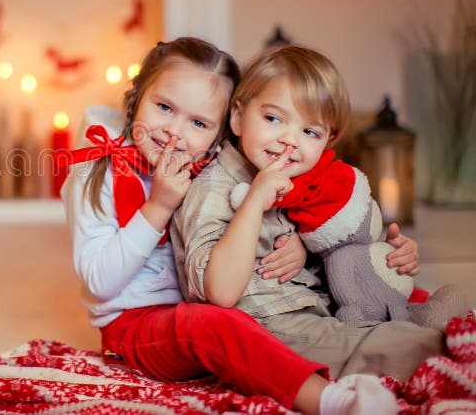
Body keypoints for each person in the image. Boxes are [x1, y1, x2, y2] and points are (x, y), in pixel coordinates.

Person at [63, 37, 399, 415]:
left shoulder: (213, 169)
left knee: (345, 293)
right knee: (213, 324)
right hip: (136, 325)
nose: (174, 132)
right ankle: (328, 399)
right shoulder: (97, 171)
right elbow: (99, 281)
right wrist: (158, 206)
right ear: (138, 96)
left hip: (213, 299)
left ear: (221, 132)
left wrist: (300, 246)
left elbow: (265, 223)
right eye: (163, 107)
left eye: (198, 122)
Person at [171, 44, 464, 382]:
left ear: (327, 141)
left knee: (448, 298)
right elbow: (218, 293)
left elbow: (342, 254)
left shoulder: (302, 184)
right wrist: (253, 201)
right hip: (268, 327)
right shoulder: (213, 188)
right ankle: (428, 347)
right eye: (273, 118)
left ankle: (419, 332)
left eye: (310, 131)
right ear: (238, 117)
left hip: (325, 312)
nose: (289, 140)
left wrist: (389, 258)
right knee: (392, 346)